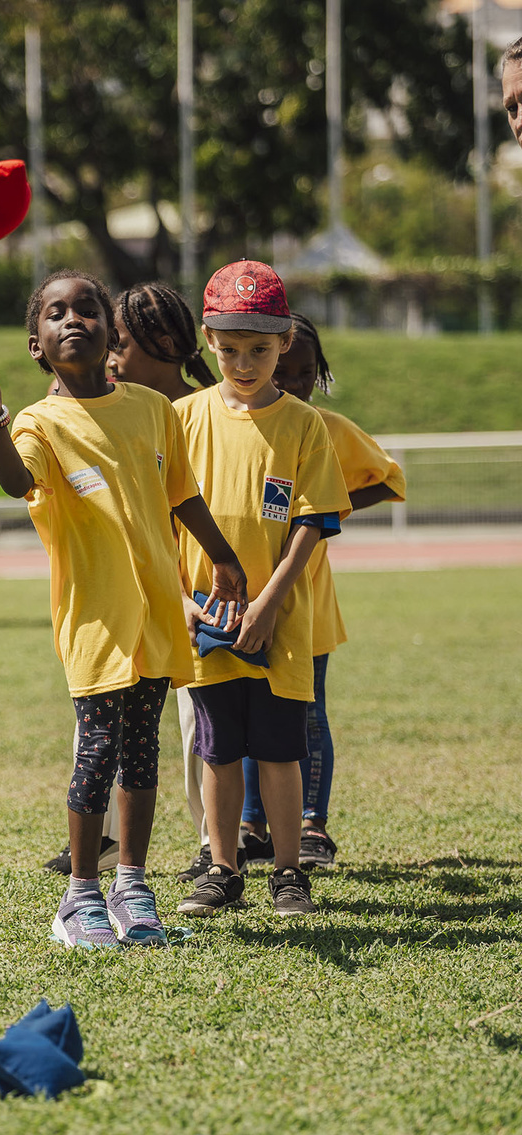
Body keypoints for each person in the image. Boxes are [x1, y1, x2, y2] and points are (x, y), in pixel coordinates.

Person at [0, 268, 248, 949]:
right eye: (56, 314)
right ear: (37, 345)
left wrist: (222, 556)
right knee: (98, 749)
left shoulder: (151, 409)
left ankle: (132, 885)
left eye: (88, 308)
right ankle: (79, 893)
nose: (74, 319)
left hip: (155, 610)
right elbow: (16, 481)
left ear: (112, 333)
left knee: (142, 752)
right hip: (94, 619)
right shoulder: (39, 421)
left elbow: (182, 495)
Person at [174, 260, 350, 919]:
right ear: (208, 342)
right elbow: (159, 520)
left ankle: (286, 873)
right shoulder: (183, 418)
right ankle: (222, 869)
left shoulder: (303, 423)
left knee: (279, 748)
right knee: (217, 747)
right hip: (207, 615)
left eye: (258, 349)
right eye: (229, 349)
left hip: (280, 616)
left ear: (283, 343)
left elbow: (312, 521)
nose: (243, 363)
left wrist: (270, 602)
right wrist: (185, 600)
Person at [41, 280, 220, 878]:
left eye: (120, 335)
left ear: (163, 342)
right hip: (113, 602)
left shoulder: (184, 411)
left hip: (185, 595)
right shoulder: (63, 413)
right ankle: (96, 866)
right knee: (98, 735)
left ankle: (209, 846)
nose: (112, 351)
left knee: (189, 727)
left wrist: (209, 575)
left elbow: (189, 499)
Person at [237, 313, 406, 870]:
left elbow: (389, 478)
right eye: (286, 371)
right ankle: (251, 825)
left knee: (308, 714)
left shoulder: (326, 427)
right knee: (245, 713)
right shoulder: (241, 421)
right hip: (244, 595)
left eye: (309, 373)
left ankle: (313, 827)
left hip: (306, 599)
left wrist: (327, 509)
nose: (298, 383)